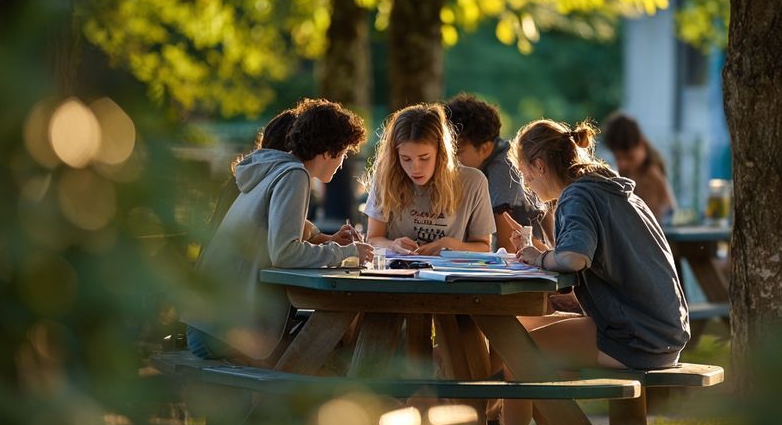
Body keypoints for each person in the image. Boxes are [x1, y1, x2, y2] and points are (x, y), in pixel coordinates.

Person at [502, 119, 691, 425]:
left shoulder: (577, 195)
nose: (528, 186)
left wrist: (537, 257)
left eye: (527, 176)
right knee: (524, 332)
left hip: (639, 337)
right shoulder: (609, 188)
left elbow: (574, 258)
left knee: (519, 353)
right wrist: (574, 299)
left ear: (540, 166)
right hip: (661, 329)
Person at [185, 99, 373, 365]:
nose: (342, 163)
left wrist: (327, 242)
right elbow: (285, 253)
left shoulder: (272, 168)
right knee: (336, 346)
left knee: (331, 339)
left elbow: (278, 234)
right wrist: (348, 252)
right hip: (223, 332)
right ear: (329, 150)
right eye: (343, 153)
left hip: (206, 324)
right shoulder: (295, 175)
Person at [364, 103, 495, 256]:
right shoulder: (385, 177)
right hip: (400, 271)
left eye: (424, 158)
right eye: (406, 158)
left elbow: (484, 246)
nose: (415, 168)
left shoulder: (473, 181)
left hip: (449, 275)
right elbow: (373, 239)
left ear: (441, 153)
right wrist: (392, 245)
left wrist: (453, 245)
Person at [445, 93, 550, 251]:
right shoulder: (494, 157)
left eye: (457, 152)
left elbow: (507, 246)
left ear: (485, 148)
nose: (450, 159)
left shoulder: (503, 169)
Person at [602, 112, 676, 223]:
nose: (622, 164)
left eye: (629, 158)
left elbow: (646, 219)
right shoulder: (628, 171)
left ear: (641, 144)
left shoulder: (650, 174)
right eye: (617, 158)